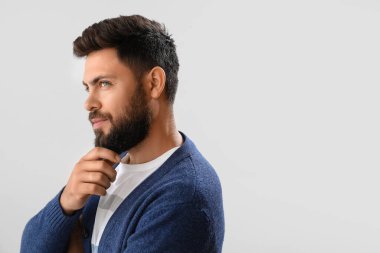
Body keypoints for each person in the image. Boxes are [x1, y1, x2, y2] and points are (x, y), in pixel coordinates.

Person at [21, 15, 224, 253]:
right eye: (88, 87)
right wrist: (67, 202)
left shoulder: (184, 195)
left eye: (104, 84)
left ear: (154, 83)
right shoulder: (108, 165)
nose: (89, 103)